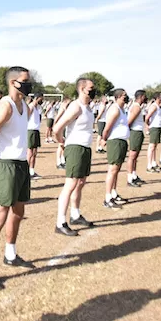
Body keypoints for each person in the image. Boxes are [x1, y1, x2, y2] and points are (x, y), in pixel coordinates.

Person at [0, 66, 35, 291]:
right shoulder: (5, 107)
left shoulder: (25, 107)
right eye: (24, 81)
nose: (28, 84)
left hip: (21, 164)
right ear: (13, 83)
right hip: (7, 165)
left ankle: (10, 254)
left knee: (18, 212)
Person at [53, 78, 96, 237]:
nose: (93, 90)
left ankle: (75, 215)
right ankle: (60, 222)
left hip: (85, 148)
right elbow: (58, 127)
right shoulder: (76, 107)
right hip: (75, 148)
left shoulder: (88, 108)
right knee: (70, 184)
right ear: (82, 89)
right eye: (91, 87)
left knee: (80, 182)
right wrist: (61, 142)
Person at [101, 89, 130, 208]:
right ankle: (107, 197)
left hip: (122, 141)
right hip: (115, 141)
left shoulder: (122, 109)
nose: (126, 97)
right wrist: (104, 139)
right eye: (124, 95)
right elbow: (107, 127)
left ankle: (114, 192)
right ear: (118, 97)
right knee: (112, 169)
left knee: (117, 170)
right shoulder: (115, 109)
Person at [126, 90, 147, 187]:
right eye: (144, 96)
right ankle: (130, 178)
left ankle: (134, 175)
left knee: (135, 156)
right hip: (135, 132)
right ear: (141, 97)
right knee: (132, 156)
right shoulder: (136, 107)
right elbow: (129, 121)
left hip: (138, 131)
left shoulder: (137, 106)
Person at [145, 93, 161, 173]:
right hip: (154, 127)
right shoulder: (154, 106)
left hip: (157, 127)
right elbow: (147, 117)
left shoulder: (158, 106)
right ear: (158, 98)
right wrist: (148, 124)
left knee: (155, 146)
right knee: (152, 146)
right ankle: (149, 165)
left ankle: (154, 163)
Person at [27, 93, 44, 180]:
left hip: (36, 130)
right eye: (41, 98)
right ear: (37, 98)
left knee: (34, 153)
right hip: (31, 130)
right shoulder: (31, 106)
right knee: (30, 153)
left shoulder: (38, 108)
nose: (42, 100)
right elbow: (26, 117)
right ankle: (26, 172)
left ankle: (31, 171)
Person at [53, 97, 72, 169]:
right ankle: (58, 162)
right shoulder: (62, 108)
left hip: (65, 127)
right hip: (62, 128)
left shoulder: (68, 109)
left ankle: (63, 160)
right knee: (61, 145)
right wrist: (55, 126)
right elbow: (57, 118)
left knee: (64, 146)